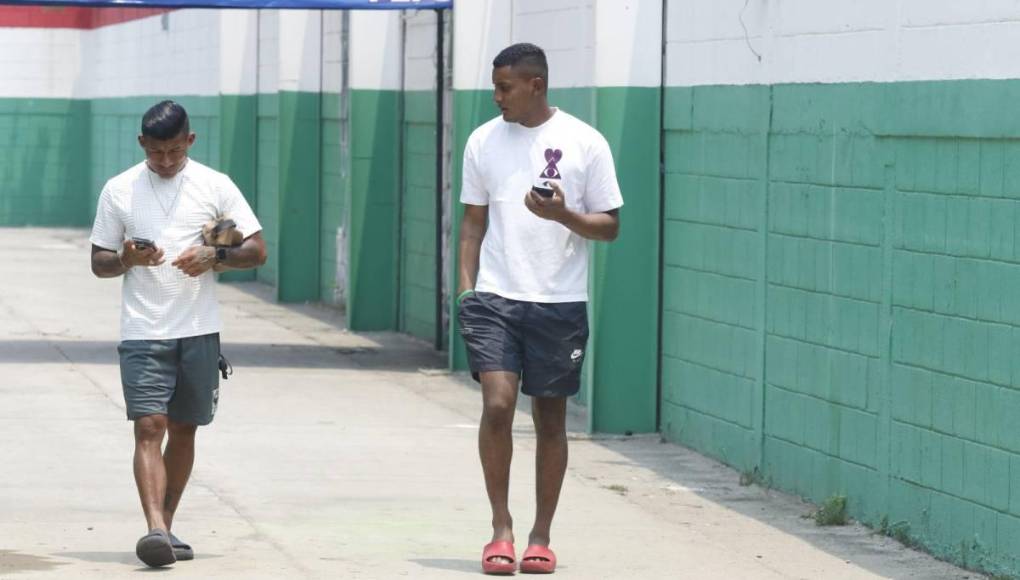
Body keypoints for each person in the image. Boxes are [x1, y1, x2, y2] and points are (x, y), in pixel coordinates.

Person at [456, 43, 623, 575]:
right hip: (495, 298)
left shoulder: (584, 142)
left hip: (559, 302)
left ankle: (540, 536)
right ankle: (500, 528)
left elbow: (610, 226)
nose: (496, 96)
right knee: (498, 405)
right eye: (494, 86)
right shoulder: (483, 140)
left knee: (550, 417)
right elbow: (472, 224)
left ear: (536, 85)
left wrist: (563, 216)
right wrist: (466, 291)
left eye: (504, 87)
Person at [89, 100, 266, 568]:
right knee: (149, 426)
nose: (165, 162)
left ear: (190, 141)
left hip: (198, 329)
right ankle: (155, 528)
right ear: (141, 144)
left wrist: (216, 257)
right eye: (156, 152)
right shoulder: (120, 190)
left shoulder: (214, 187)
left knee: (185, 428)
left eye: (173, 151)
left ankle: (165, 527)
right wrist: (128, 258)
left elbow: (256, 249)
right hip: (143, 329)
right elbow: (99, 263)